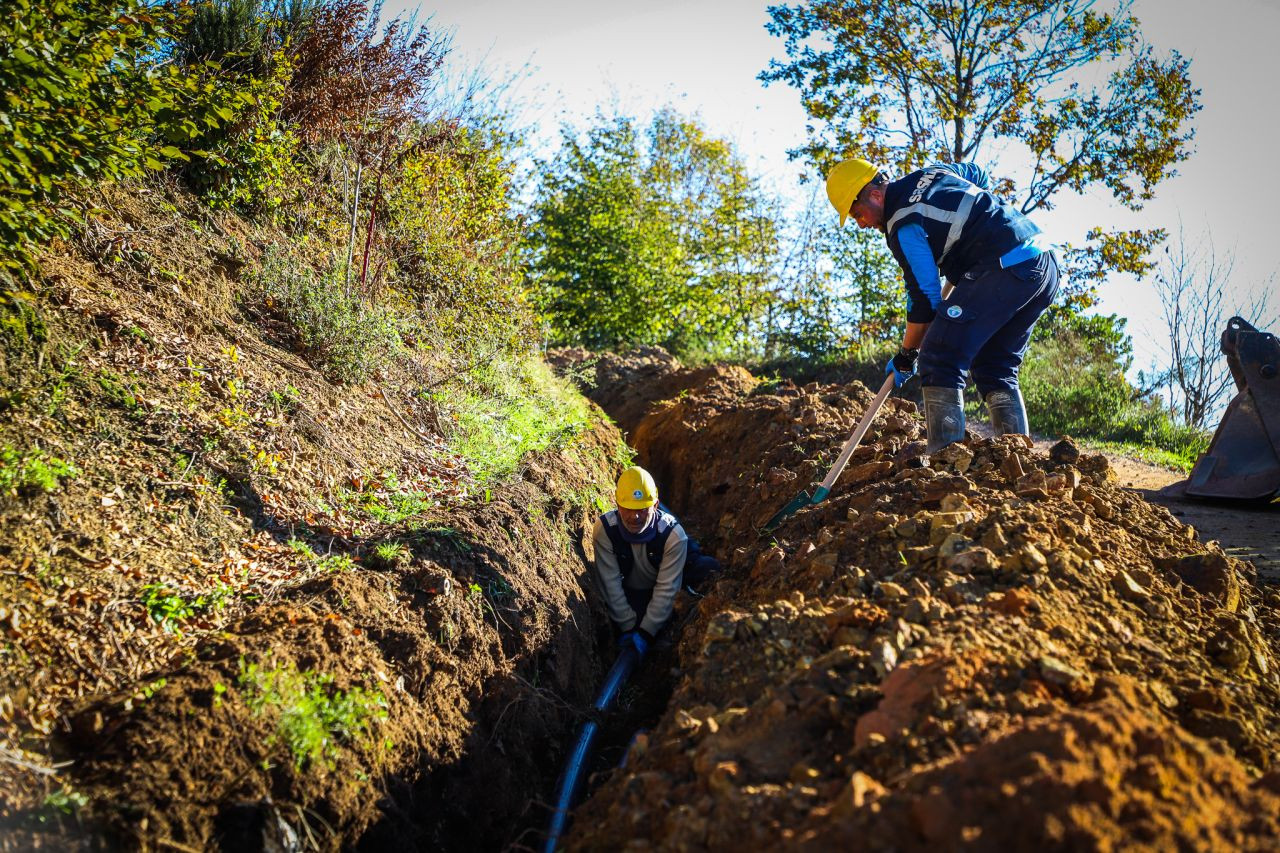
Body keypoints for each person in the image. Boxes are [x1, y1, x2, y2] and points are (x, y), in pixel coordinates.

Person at [825, 158, 1060, 453]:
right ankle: (1018, 460)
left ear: (874, 194)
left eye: (858, 214)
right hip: (1041, 264)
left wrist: (907, 354)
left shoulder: (902, 224)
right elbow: (978, 173)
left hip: (1004, 268)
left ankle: (945, 461)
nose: (861, 224)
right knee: (994, 367)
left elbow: (925, 299)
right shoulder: (934, 173)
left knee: (939, 355)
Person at [592, 466, 719, 659]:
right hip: (633, 591)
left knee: (707, 568)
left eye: (642, 510)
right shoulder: (605, 530)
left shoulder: (673, 536)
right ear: (617, 505)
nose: (634, 517)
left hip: (667, 584)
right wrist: (627, 626)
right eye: (628, 509)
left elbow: (667, 588)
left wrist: (646, 633)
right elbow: (609, 584)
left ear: (656, 505)